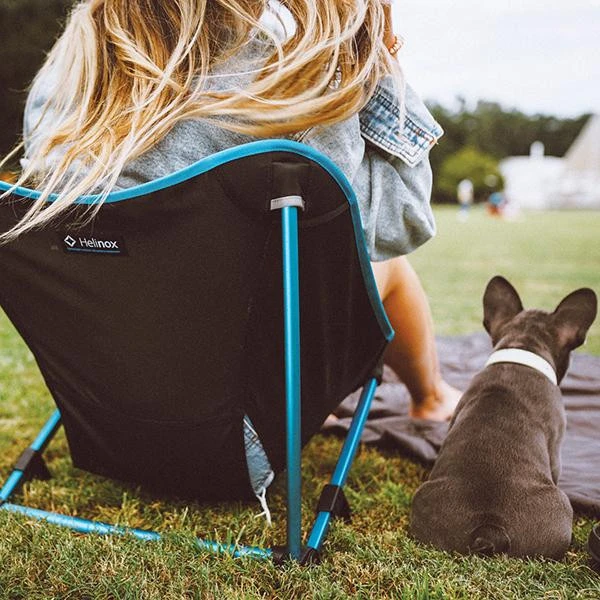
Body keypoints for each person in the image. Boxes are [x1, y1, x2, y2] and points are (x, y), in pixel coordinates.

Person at [2, 0, 460, 501]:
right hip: (241, 441)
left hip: (100, 420)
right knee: (387, 266)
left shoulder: (67, 77)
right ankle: (430, 398)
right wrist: (376, 63)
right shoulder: (283, 79)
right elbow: (401, 221)